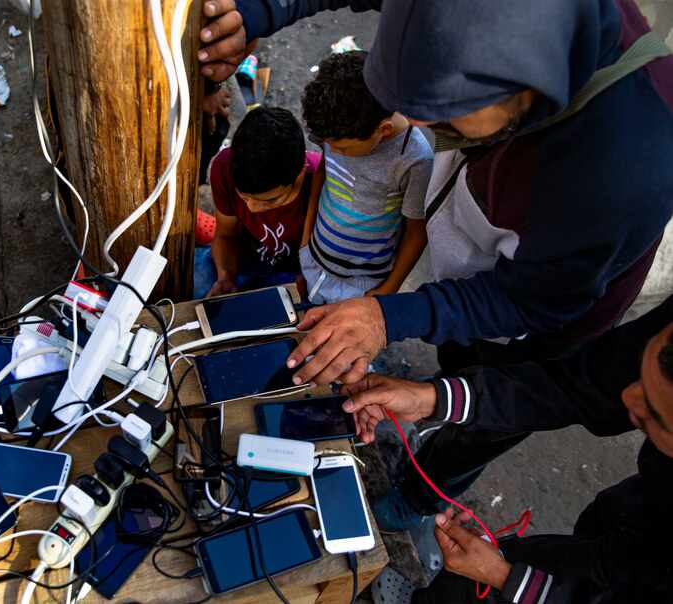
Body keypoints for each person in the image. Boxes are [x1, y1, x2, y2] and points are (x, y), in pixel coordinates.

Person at [198, 0, 673, 528]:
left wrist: (387, 316)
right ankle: (435, 403)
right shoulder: (495, 31)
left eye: (446, 113)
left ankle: (419, 497)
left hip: (539, 322)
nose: (415, 125)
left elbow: (521, 301)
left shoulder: (621, 172)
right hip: (470, 247)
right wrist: (259, 13)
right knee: (452, 364)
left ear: (525, 89)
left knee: (484, 419)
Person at [338, 294, 673, 603]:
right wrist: (433, 398)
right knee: (485, 573)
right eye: (642, 372)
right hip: (627, 524)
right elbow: (575, 384)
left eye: (656, 414)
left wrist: (510, 580)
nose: (628, 396)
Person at [298, 51, 432, 302]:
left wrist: (387, 290)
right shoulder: (335, 125)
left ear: (383, 130)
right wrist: (306, 241)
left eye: (343, 148)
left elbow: (416, 230)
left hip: (364, 286)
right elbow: (322, 174)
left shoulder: (416, 161)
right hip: (313, 260)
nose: (333, 152)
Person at [193, 106, 321, 298]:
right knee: (195, 288)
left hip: (297, 273)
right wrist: (226, 277)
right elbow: (227, 234)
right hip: (243, 260)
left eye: (269, 200)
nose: (252, 208)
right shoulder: (224, 166)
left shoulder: (321, 181)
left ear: (300, 174)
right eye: (244, 197)